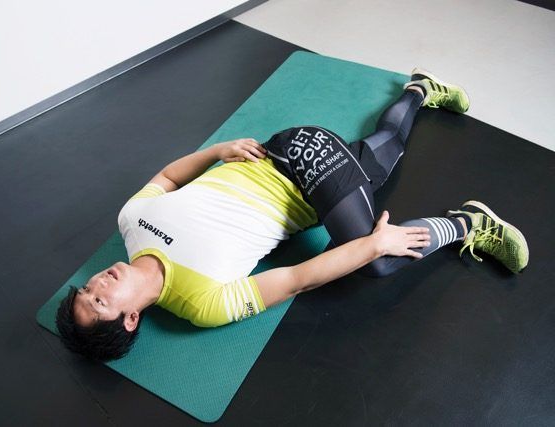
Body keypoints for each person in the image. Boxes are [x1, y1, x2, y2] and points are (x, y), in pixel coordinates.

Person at [56, 68, 529, 361]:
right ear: (130, 319)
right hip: (311, 188)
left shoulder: (131, 221)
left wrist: (219, 150)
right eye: (100, 302)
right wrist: (373, 242)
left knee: (380, 255)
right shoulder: (202, 305)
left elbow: (167, 175)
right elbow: (297, 279)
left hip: (290, 152)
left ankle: (470, 221)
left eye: (87, 289)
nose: (98, 284)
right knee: (381, 165)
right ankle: (420, 92)